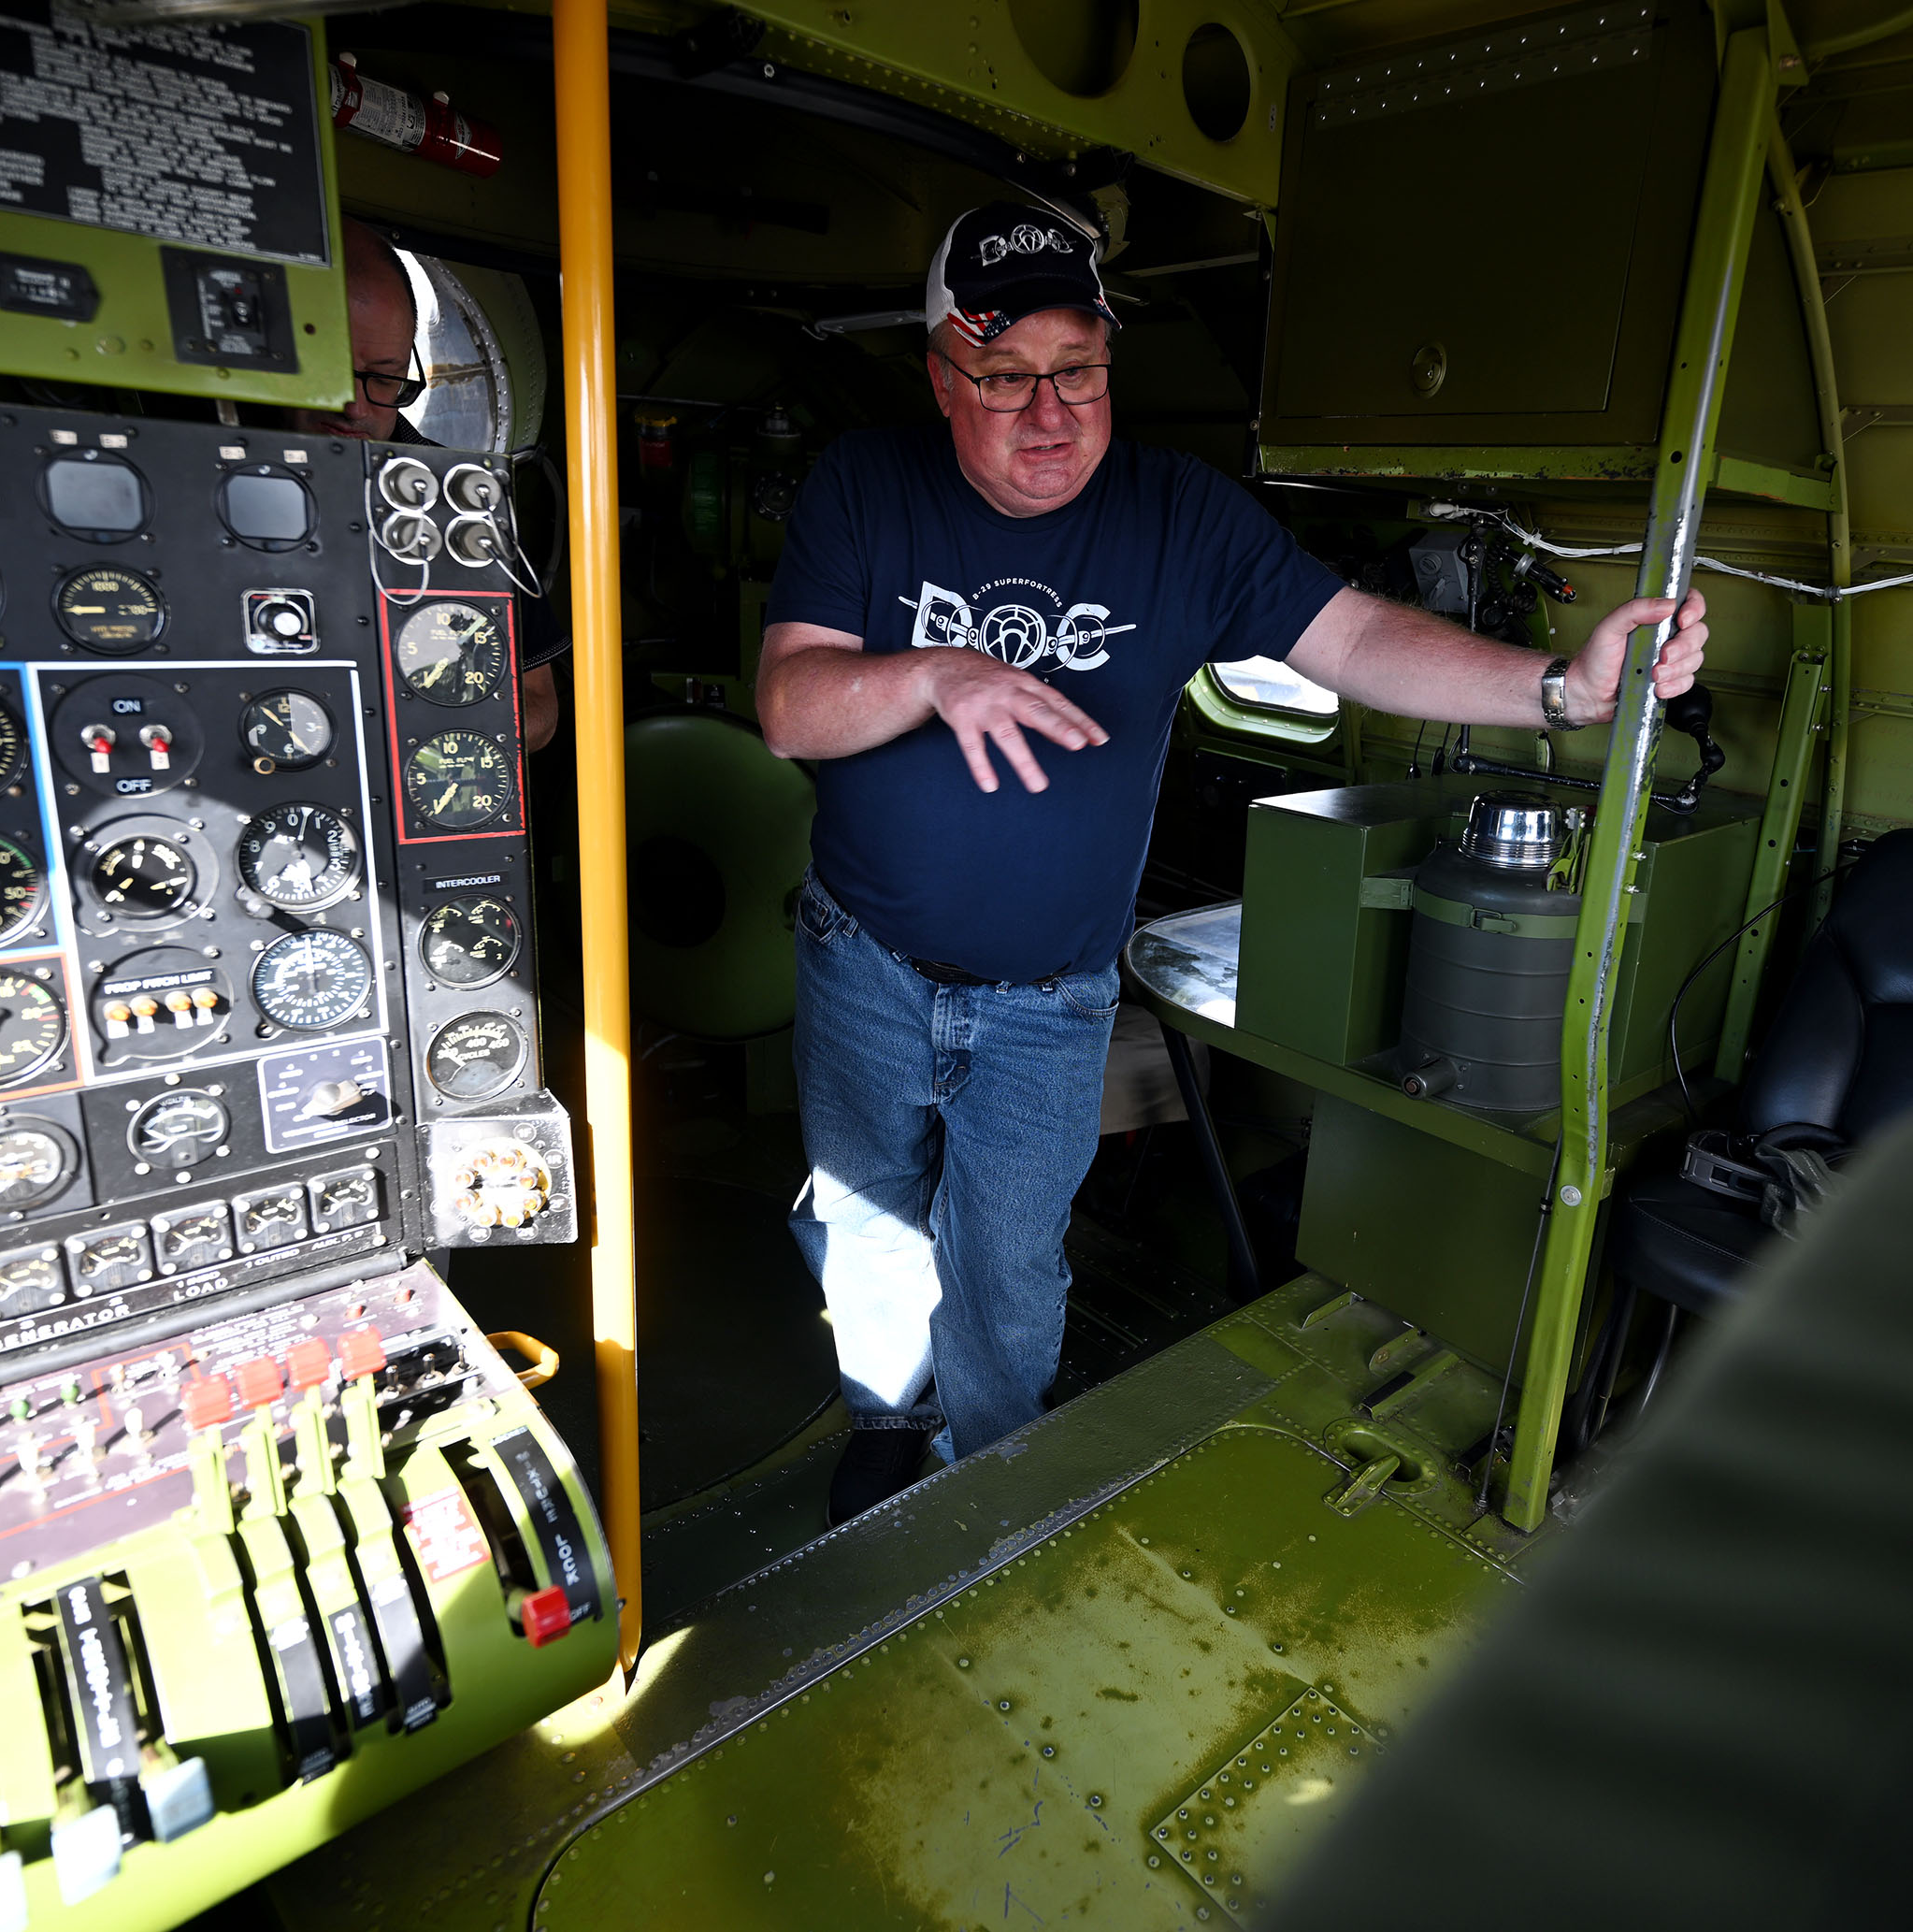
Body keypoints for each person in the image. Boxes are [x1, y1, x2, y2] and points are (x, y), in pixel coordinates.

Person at [760, 202, 1709, 1525]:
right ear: (940, 375)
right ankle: (884, 1413)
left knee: (1009, 1266)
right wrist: (936, 672)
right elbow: (793, 706)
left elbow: (1362, 642)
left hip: (1051, 1001)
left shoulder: (1178, 518)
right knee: (865, 1217)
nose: (1052, 412)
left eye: (1080, 371)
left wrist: (1566, 685)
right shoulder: (868, 485)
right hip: (865, 954)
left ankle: (986, 1480)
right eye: (1008, 376)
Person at [297, 215, 565, 749]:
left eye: (385, 375)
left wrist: (399, 726)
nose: (354, 405)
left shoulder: (463, 501)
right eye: (328, 368)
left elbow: (538, 712)